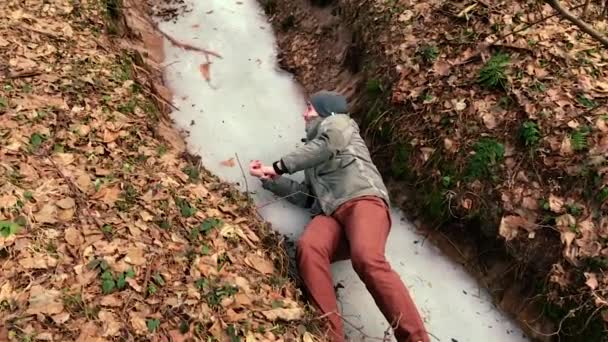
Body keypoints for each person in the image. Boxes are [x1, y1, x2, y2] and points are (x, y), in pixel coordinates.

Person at [249, 90, 430, 342]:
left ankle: (416, 339)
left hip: (363, 201)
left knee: (367, 258)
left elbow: (329, 142)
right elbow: (309, 198)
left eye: (310, 108)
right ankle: (331, 336)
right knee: (310, 248)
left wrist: (279, 166)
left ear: (326, 111)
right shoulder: (313, 158)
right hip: (331, 213)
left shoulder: (339, 124)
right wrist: (271, 180)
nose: (304, 113)